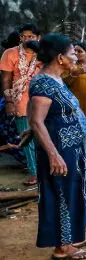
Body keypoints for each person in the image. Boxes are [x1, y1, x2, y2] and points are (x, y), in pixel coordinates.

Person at [27, 33, 86, 260]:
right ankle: (63, 247)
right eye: (73, 53)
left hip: (72, 148)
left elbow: (38, 118)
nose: (77, 57)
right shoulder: (43, 83)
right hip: (59, 150)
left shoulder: (56, 79)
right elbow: (36, 120)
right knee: (61, 193)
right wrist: (53, 154)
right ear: (60, 57)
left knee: (75, 190)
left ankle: (76, 236)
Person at [0, 24, 41, 185]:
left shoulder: (45, 53)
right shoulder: (10, 53)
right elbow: (5, 79)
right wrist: (9, 101)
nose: (27, 39)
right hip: (21, 101)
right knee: (27, 138)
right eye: (24, 36)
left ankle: (48, 170)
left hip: (43, 99)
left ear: (38, 38)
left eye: (31, 36)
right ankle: (34, 172)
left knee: (46, 137)